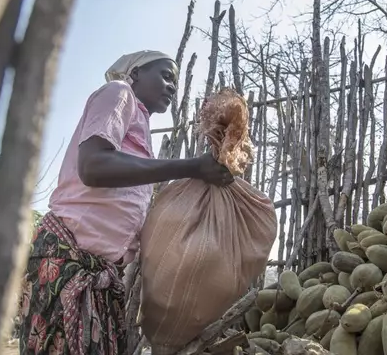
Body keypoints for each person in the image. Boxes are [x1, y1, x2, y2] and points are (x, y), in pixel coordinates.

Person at [18, 50, 234, 355]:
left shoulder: (140, 131)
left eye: (176, 81)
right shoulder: (119, 93)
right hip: (67, 258)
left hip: (99, 273)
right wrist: (191, 167)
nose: (173, 87)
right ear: (134, 75)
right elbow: (93, 166)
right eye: (165, 76)